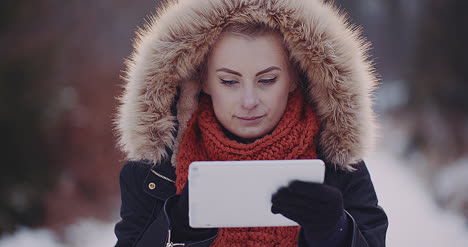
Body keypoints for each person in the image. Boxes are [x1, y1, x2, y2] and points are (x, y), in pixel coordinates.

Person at [114, 0, 388, 246]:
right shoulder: (154, 174)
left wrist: (337, 233)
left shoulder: (339, 168)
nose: (249, 101)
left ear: (294, 78)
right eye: (229, 81)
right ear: (204, 80)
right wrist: (175, 229)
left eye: (267, 80)